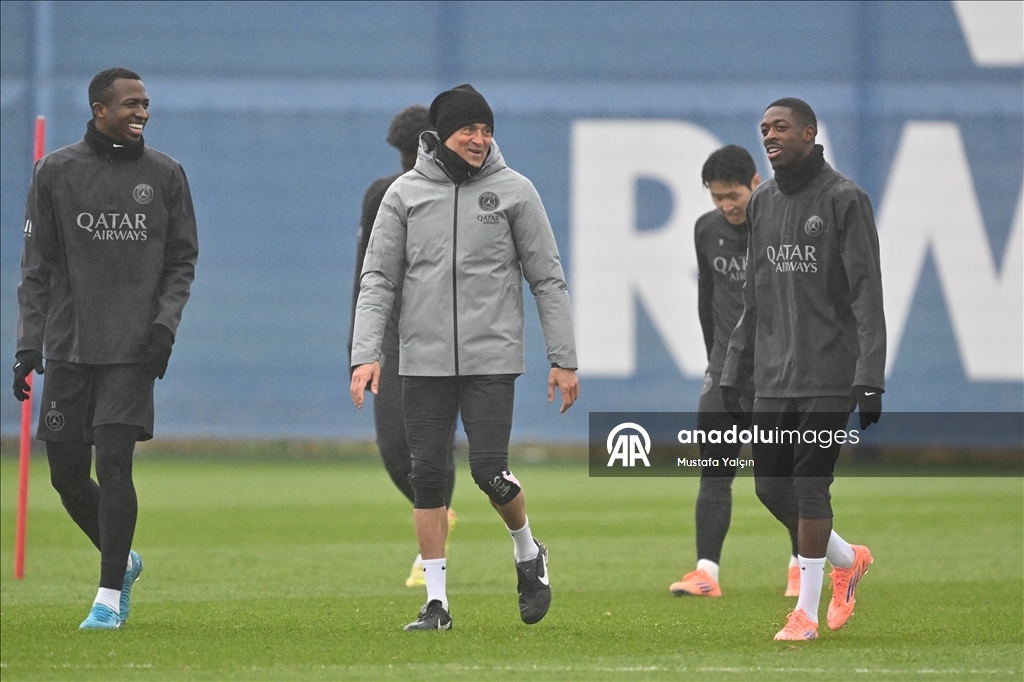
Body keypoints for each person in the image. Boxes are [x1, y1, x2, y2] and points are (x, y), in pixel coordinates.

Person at [350, 84, 579, 631]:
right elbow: (378, 278)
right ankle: (436, 604)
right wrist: (365, 353)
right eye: (466, 130)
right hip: (420, 360)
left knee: (488, 473)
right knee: (426, 476)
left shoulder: (516, 191)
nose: (478, 140)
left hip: (491, 359)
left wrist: (563, 358)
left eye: (486, 130)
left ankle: (528, 551)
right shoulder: (403, 194)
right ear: (440, 136)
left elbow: (547, 278)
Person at [13, 67, 199, 630]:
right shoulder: (55, 173)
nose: (141, 112)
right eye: (130, 104)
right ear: (99, 109)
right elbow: (36, 269)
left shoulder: (167, 175)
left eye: (145, 104)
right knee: (66, 476)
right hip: (70, 348)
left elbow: (181, 261)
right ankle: (125, 559)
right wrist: (28, 346)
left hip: (132, 350)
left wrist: (164, 328)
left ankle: (107, 596)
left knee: (114, 464)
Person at [721, 98, 885, 641]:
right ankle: (848, 559)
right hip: (774, 375)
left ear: (810, 134)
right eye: (764, 128)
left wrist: (871, 372)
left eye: (781, 127)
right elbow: (754, 295)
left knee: (812, 488)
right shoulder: (763, 202)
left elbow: (867, 291)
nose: (770, 135)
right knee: (770, 488)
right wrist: (733, 369)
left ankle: (806, 616)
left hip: (831, 374)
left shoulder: (845, 199)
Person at [669, 145, 801, 599]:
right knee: (714, 470)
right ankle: (706, 572)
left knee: (785, 475)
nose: (725, 205)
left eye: (733, 196)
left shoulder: (783, 229)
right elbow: (708, 299)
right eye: (716, 197)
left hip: (779, 370)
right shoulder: (706, 230)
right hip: (725, 368)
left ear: (756, 184)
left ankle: (800, 566)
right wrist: (716, 359)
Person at [348, 105, 457, 590]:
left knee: (432, 443)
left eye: (414, 151)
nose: (407, 162)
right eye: (401, 153)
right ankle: (442, 511)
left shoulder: (462, 192)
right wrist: (361, 345)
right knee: (393, 444)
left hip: (446, 330)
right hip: (393, 331)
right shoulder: (381, 195)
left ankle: (430, 549)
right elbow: (367, 272)